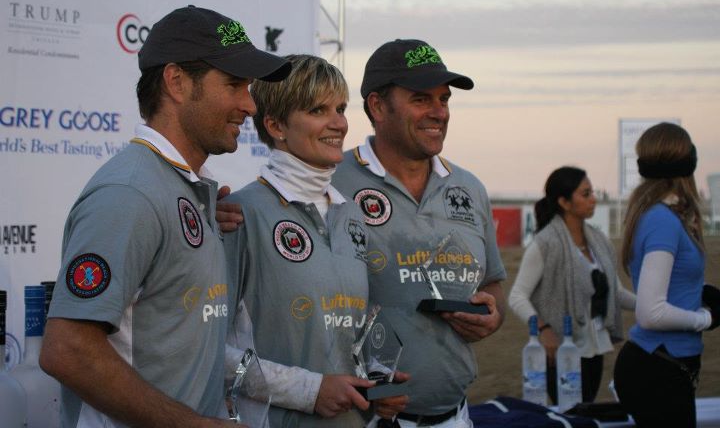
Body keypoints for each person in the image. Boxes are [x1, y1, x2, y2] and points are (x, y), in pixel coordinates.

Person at [39, 5, 290, 428]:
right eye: (234, 84)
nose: (249, 104)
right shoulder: (130, 193)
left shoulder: (185, 190)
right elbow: (67, 350)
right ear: (176, 82)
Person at [222, 54, 407, 427]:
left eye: (340, 108)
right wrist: (308, 390)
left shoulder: (351, 214)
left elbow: (357, 324)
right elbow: (211, 353)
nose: (338, 123)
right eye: (318, 110)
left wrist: (376, 378)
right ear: (275, 125)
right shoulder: (238, 214)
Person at [331, 39, 507, 427]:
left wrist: (492, 315)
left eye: (444, 99)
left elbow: (492, 283)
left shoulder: (468, 188)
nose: (439, 112)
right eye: (421, 99)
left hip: (456, 416)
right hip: (365, 418)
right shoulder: (331, 182)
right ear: (378, 106)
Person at [613, 122, 720, 428]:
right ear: (690, 162)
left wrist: (700, 292)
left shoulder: (665, 216)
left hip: (665, 365)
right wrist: (706, 318)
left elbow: (667, 285)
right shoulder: (662, 220)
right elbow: (651, 313)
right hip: (658, 367)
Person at [508, 166, 635, 404]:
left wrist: (650, 306)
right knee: (571, 414)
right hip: (560, 350)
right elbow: (517, 296)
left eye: (592, 192)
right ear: (564, 202)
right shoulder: (545, 243)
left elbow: (616, 293)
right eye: (586, 194)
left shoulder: (599, 241)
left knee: (585, 411)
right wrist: (544, 330)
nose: (593, 199)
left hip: (595, 349)